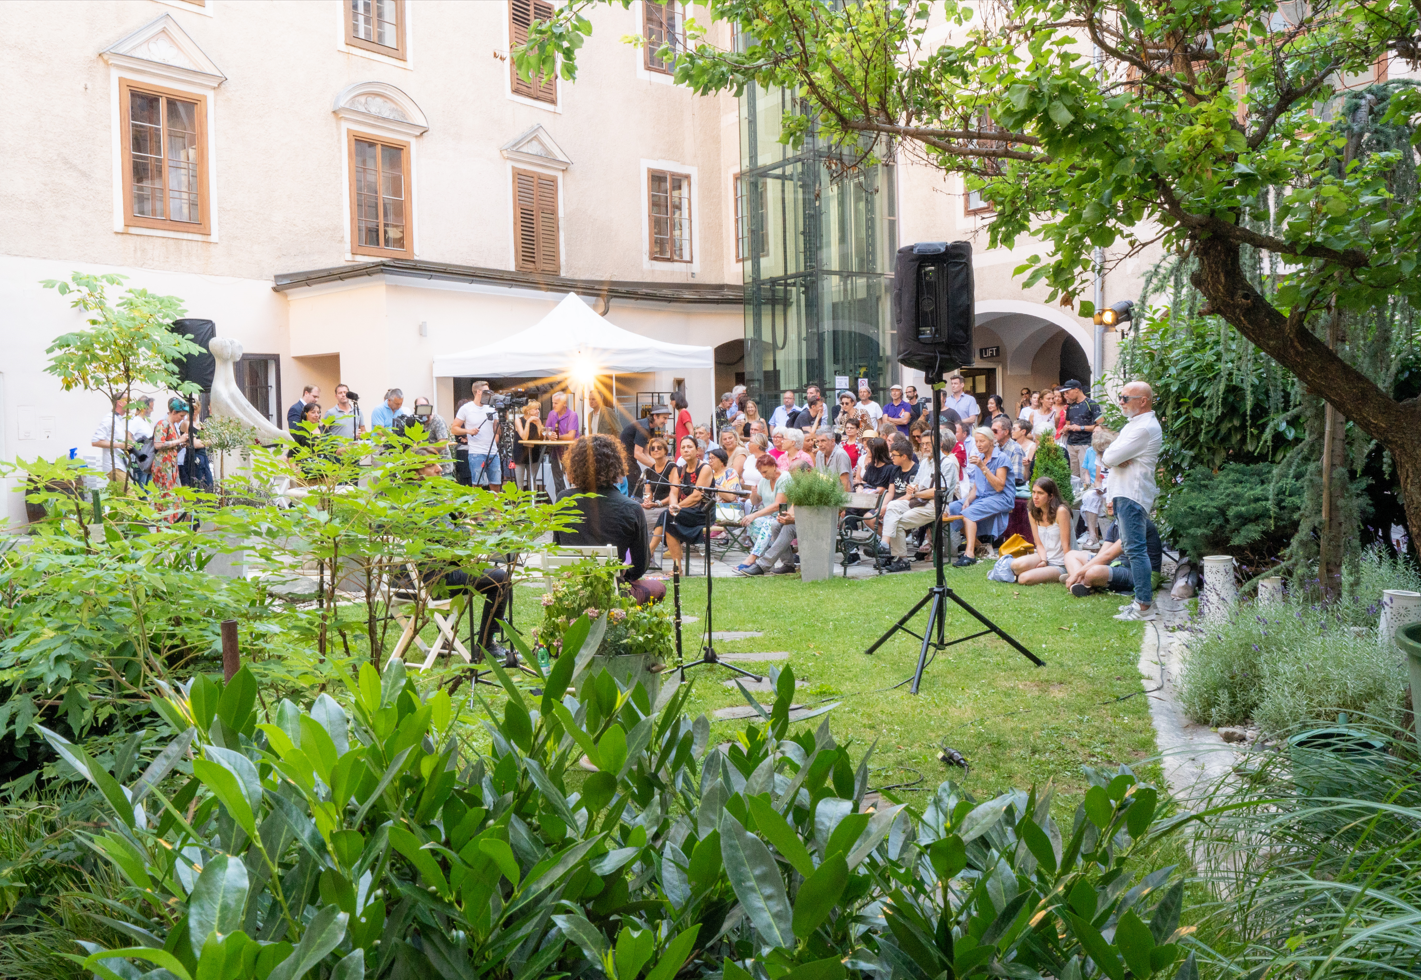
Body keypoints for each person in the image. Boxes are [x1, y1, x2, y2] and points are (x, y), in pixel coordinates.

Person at [410, 455, 511, 659]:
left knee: (469, 569)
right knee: (501, 578)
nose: (439, 469)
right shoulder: (428, 501)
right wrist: (470, 526)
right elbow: (452, 540)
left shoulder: (409, 498)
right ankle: (486, 644)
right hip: (435, 577)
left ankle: (446, 638)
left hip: (409, 579)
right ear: (416, 473)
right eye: (431, 464)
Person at [555, 435, 666, 606]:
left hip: (572, 589)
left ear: (575, 465)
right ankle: (627, 626)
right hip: (612, 590)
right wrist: (622, 576)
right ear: (616, 465)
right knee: (658, 588)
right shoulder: (631, 508)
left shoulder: (563, 500)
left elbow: (557, 546)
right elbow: (640, 565)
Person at [1103, 381, 1163, 621]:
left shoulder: (1145, 427)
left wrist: (1115, 456)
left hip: (1132, 495)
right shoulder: (1135, 424)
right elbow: (1111, 455)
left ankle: (1144, 606)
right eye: (1121, 396)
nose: (1121, 401)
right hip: (1125, 493)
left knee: (1136, 551)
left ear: (1143, 400)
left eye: (1125, 398)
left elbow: (1108, 455)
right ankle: (1141, 601)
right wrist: (1115, 456)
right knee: (1132, 549)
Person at [880, 434, 959, 572]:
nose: (925, 447)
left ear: (939, 444)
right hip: (918, 501)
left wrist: (916, 492)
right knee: (892, 506)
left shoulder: (946, 463)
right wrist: (913, 488)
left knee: (897, 521)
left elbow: (937, 491)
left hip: (936, 505)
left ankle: (900, 558)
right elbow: (915, 484)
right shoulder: (924, 462)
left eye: (929, 443)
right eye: (923, 444)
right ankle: (885, 546)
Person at [1064, 500, 1163, 598]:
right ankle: (1082, 583)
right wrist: (1082, 571)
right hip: (1118, 565)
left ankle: (1078, 579)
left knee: (1093, 572)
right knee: (1070, 555)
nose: (1108, 505)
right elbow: (1102, 554)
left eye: (1113, 501)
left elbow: (1109, 556)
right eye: (1107, 501)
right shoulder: (1116, 523)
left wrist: (1078, 572)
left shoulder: (1136, 523)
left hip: (1140, 574)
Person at [948, 428, 1016, 565]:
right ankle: (980, 546)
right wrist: (967, 500)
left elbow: (999, 486)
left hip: (1001, 497)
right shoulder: (981, 458)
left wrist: (982, 467)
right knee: (954, 508)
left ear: (991, 441)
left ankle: (969, 554)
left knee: (968, 513)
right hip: (983, 497)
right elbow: (976, 487)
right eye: (977, 441)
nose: (978, 444)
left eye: (982, 441)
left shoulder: (1001, 458)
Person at [735, 453, 794, 575]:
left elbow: (778, 505)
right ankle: (761, 556)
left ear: (774, 466)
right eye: (761, 472)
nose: (763, 475)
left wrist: (754, 515)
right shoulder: (764, 480)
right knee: (753, 523)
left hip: (784, 515)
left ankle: (752, 558)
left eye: (765, 472)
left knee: (767, 523)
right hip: (770, 515)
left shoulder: (785, 478)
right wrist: (754, 493)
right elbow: (755, 502)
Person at [664, 436, 714, 570]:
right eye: (683, 447)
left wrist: (677, 507)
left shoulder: (705, 468)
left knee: (667, 516)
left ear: (697, 450)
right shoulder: (679, 470)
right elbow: (673, 492)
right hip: (684, 510)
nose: (686, 450)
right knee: (667, 517)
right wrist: (673, 505)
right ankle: (677, 567)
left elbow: (697, 496)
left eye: (689, 447)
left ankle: (652, 552)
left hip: (703, 512)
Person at [1010, 478, 1073, 585]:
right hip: (1043, 557)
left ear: (1051, 496)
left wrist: (1071, 569)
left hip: (1061, 563)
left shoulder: (1061, 511)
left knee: (1023, 579)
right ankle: (1009, 571)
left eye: (1040, 493)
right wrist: (1043, 561)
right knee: (1015, 565)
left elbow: (1066, 545)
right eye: (1034, 492)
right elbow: (1038, 544)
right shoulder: (1033, 512)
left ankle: (1010, 574)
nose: (1035, 497)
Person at [453, 381, 503, 490]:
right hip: (476, 453)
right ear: (478, 392)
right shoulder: (466, 408)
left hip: (492, 451)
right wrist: (469, 431)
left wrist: (500, 416)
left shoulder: (491, 408)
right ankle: (479, 506)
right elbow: (454, 428)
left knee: (496, 484)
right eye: (487, 391)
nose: (489, 394)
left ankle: (495, 507)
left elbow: (497, 430)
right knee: (477, 485)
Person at [1058, 379, 1102, 479]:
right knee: (1073, 476)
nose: (1066, 395)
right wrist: (1066, 428)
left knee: (1084, 475)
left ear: (1076, 390)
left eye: (1067, 392)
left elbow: (1101, 425)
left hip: (1085, 444)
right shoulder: (1070, 407)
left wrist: (1080, 428)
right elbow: (1068, 423)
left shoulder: (1091, 404)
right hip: (1071, 444)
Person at [641, 436, 678, 556]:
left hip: (666, 505)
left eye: (659, 447)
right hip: (654, 505)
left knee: (645, 517)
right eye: (653, 448)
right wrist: (647, 501)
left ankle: (647, 554)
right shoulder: (650, 470)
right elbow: (648, 491)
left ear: (665, 450)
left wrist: (658, 503)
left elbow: (675, 492)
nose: (655, 450)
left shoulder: (671, 467)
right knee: (636, 512)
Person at [91, 394, 135, 485]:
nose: (131, 403)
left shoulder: (118, 420)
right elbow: (95, 441)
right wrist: (119, 445)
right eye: (128, 400)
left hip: (121, 465)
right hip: (114, 466)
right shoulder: (109, 419)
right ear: (119, 403)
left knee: (117, 496)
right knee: (131, 495)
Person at [150, 398, 188, 498]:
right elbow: (158, 444)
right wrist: (179, 441)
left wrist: (182, 444)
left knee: (175, 496)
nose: (183, 419)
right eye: (181, 415)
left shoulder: (172, 425)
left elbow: (171, 446)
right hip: (163, 466)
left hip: (171, 465)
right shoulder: (163, 423)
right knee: (165, 496)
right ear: (174, 412)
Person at [706, 446, 743, 522]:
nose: (710, 461)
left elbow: (731, 497)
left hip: (728, 510)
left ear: (722, 460)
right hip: (709, 509)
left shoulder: (730, 473)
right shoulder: (709, 474)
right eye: (709, 458)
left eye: (713, 458)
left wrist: (713, 485)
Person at [512, 401, 544, 489]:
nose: (538, 411)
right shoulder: (518, 420)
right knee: (520, 484)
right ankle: (519, 501)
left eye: (538, 409)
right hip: (520, 454)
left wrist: (538, 425)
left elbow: (541, 438)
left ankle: (533, 501)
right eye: (535, 409)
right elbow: (524, 437)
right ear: (528, 411)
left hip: (534, 453)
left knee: (532, 482)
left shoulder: (538, 421)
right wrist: (529, 422)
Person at [126, 396, 156, 487]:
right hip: (140, 462)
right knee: (140, 489)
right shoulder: (135, 421)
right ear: (144, 408)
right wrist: (138, 449)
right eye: (151, 407)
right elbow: (127, 435)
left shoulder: (143, 421)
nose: (152, 410)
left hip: (147, 460)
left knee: (147, 489)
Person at [992, 417, 1028, 490]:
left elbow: (1016, 479)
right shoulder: (993, 447)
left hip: (1006, 491)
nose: (992, 434)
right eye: (991, 431)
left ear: (1006, 432)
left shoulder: (1015, 449)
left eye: (995, 431)